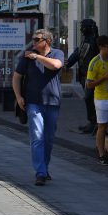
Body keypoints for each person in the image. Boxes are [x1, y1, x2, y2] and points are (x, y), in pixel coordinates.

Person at [12, 29, 64, 186]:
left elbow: (55, 66)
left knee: (48, 139)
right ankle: (40, 172)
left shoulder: (57, 53)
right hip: (33, 102)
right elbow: (16, 77)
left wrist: (37, 57)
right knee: (37, 137)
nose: (33, 42)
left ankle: (45, 168)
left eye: (37, 40)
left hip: (53, 102)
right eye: (33, 39)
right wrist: (19, 96)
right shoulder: (27, 57)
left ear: (46, 41)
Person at [66, 19, 100, 134]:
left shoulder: (95, 41)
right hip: (83, 75)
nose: (81, 29)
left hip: (92, 77)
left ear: (88, 28)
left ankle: (95, 122)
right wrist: (68, 63)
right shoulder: (85, 40)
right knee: (88, 100)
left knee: (89, 99)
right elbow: (77, 54)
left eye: (83, 27)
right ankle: (92, 122)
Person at [85, 35, 108, 165]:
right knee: (102, 126)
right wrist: (104, 78)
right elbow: (89, 84)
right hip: (101, 99)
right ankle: (101, 154)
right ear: (101, 47)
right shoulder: (95, 62)